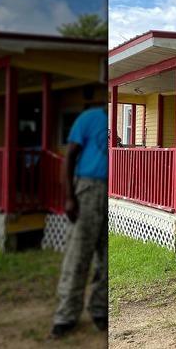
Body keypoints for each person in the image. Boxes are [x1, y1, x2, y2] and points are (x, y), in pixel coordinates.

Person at [50, 104, 109, 338]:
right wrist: (69, 198)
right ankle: (65, 315)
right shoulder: (88, 118)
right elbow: (69, 157)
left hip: (111, 192)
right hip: (87, 190)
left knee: (106, 260)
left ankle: (99, 309)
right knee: (78, 255)